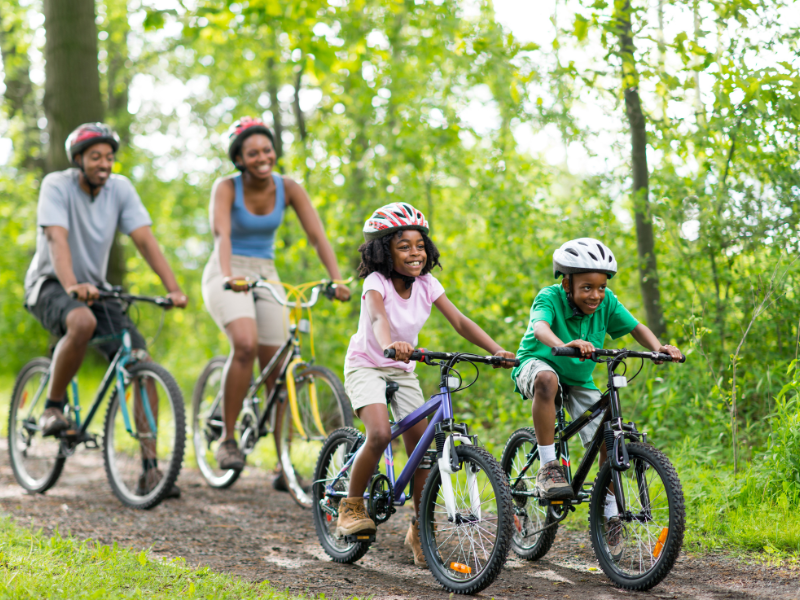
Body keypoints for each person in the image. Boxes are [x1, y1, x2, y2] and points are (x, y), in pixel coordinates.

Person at [335, 202, 516, 567]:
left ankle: (421, 526)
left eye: (420, 245)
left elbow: (460, 321)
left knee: (422, 451)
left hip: (403, 369)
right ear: (383, 251)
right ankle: (351, 506)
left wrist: (496, 350)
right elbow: (376, 316)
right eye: (404, 246)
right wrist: (390, 343)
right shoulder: (376, 282)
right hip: (367, 364)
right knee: (380, 434)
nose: (414, 253)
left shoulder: (428, 284)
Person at [24, 122, 188, 496]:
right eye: (96, 156)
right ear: (78, 159)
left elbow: (145, 240)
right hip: (50, 283)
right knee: (80, 321)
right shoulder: (56, 185)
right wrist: (70, 285)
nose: (104, 163)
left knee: (140, 361)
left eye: (109, 157)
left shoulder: (121, 189)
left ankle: (150, 470)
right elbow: (56, 238)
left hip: (95, 289)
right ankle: (52, 406)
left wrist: (173, 288)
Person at [201, 116, 350, 473]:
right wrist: (228, 275)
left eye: (267, 149)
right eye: (252, 153)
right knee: (246, 344)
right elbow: (222, 235)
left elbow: (316, 236)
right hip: (227, 269)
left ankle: (284, 461)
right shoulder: (226, 188)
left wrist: (337, 279)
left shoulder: (289, 188)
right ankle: (227, 438)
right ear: (239, 159)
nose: (262, 157)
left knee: (280, 368)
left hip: (266, 272)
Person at [510, 238, 681, 545]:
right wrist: (562, 345)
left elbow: (635, 327)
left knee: (609, 436)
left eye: (601, 287)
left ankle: (610, 510)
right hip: (538, 364)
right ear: (567, 283)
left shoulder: (607, 302)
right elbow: (540, 328)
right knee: (547, 380)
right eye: (587, 287)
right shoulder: (549, 296)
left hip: (578, 379)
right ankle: (549, 466)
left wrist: (659, 348)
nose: (596, 295)